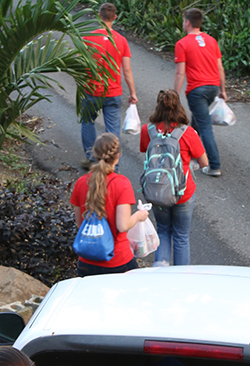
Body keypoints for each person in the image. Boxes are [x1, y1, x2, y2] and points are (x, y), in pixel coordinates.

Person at [139, 90, 208, 266]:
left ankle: (161, 273)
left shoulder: (148, 130)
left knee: (163, 231)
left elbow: (144, 150)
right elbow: (204, 162)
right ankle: (181, 279)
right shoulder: (188, 132)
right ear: (179, 107)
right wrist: (189, 166)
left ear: (157, 107)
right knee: (181, 237)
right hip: (182, 192)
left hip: (157, 191)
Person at [71, 133, 149, 277]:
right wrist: (139, 215)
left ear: (94, 154)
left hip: (87, 260)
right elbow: (122, 226)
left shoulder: (81, 182)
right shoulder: (121, 184)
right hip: (117, 260)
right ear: (118, 155)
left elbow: (79, 223)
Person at [81, 2, 138, 169]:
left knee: (87, 122)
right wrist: (133, 92)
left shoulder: (87, 38)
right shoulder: (121, 40)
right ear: (115, 17)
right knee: (112, 129)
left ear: (99, 16)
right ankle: (112, 164)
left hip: (91, 90)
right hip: (113, 92)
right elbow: (127, 70)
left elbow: (79, 63)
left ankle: (92, 160)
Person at [173, 8, 226, 177]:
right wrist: (223, 90)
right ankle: (191, 155)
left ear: (187, 22)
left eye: (183, 21)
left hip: (197, 90)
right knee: (196, 123)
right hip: (213, 88)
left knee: (204, 126)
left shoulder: (182, 44)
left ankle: (214, 165)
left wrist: (174, 95)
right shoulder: (211, 41)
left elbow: (180, 73)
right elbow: (220, 67)